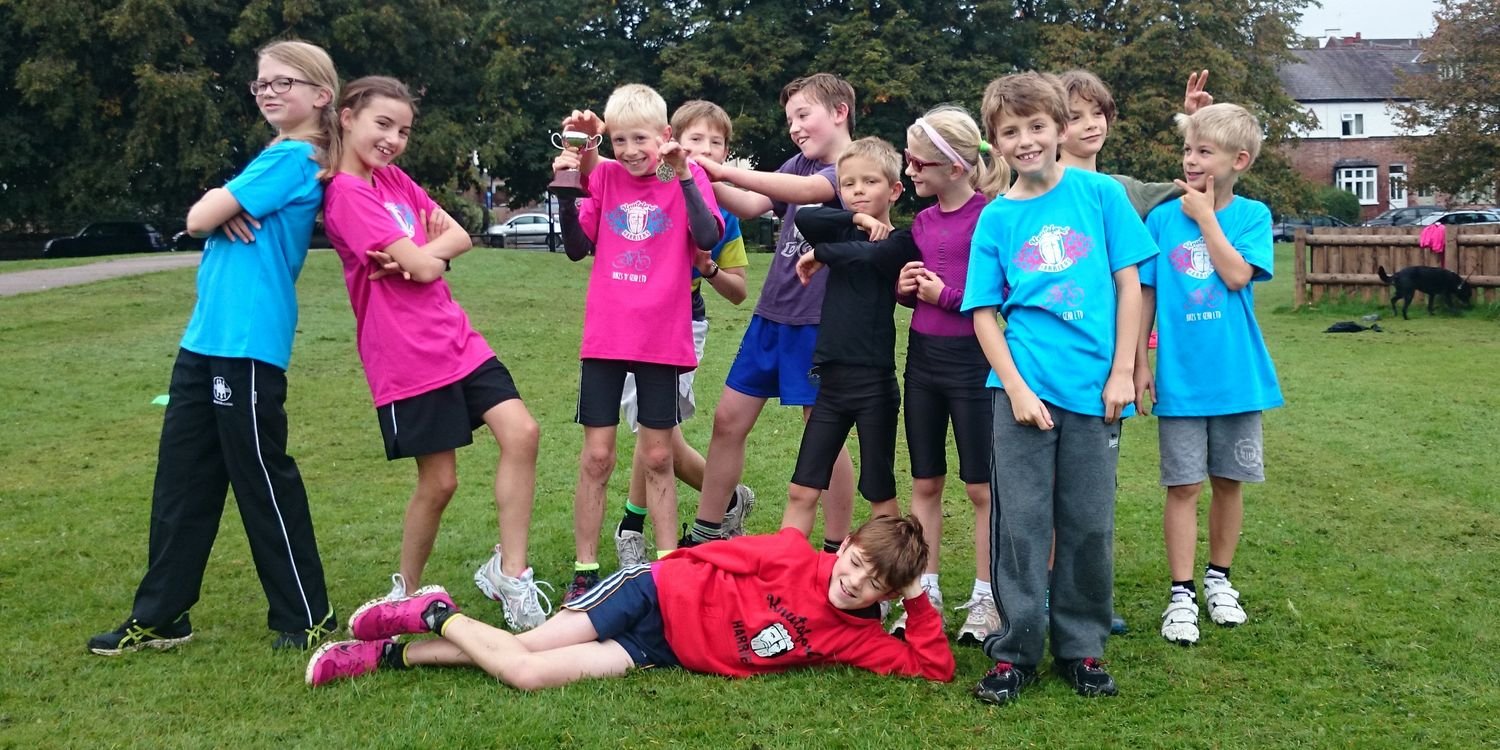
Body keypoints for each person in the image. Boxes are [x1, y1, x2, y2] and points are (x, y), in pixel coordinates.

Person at [88, 40, 340, 655]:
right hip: (204, 340)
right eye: (261, 84)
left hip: (248, 343)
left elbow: (199, 218)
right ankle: (164, 615)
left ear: (320, 95)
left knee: (260, 477)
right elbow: (201, 213)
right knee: (182, 480)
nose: (270, 91)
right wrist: (215, 207)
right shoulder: (272, 156)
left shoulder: (296, 159)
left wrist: (216, 206)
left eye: (285, 81)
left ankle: (307, 615)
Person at [321, 76, 549, 631]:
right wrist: (429, 257)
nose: (393, 140)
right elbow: (428, 262)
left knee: (522, 432)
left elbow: (458, 237)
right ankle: (404, 590)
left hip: (457, 337)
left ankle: (509, 575)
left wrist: (427, 255)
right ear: (347, 117)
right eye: (382, 125)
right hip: (405, 356)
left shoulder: (393, 180)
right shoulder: (346, 196)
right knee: (440, 482)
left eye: (403, 130)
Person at [961, 72, 1157, 705]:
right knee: (1020, 525)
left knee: (1089, 524)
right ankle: (1014, 650)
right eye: (1011, 131)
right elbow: (984, 313)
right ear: (995, 143)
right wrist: (1016, 388)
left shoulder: (1101, 196)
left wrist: (1123, 371)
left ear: (1060, 129)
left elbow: (1131, 285)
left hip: (1096, 391)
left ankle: (1082, 647)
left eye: (1037, 126)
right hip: (1022, 392)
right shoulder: (995, 220)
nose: (1026, 140)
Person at [306, 515, 955, 688]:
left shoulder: (861, 637)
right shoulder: (794, 552)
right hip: (650, 593)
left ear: (888, 595)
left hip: (657, 651)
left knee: (525, 672)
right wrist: (667, 565)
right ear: (845, 549)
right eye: (855, 562)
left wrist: (920, 598)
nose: (852, 581)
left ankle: (402, 643)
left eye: (873, 583)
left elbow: (933, 668)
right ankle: (431, 614)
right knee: (524, 648)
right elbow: (722, 555)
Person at [1055, 68, 1217, 635]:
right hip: (1047, 357)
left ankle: (1079, 600)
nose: (1090, 124)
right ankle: (1042, 595)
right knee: (1042, 486)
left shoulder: (1127, 192)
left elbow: (1201, 182)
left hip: (1107, 357)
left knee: (1091, 489)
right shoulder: (1031, 187)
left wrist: (1195, 120)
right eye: (1075, 116)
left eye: (1097, 112)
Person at [555, 84, 723, 602]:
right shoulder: (604, 176)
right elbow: (578, 248)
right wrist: (568, 179)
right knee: (598, 456)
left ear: (665, 136)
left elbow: (707, 234)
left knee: (656, 457)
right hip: (606, 337)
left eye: (641, 139)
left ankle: (669, 569)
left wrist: (684, 171)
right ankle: (586, 568)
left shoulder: (679, 177)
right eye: (620, 139)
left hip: (663, 339)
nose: (630, 150)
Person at [687, 73, 859, 555]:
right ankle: (706, 532)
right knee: (728, 421)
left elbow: (802, 193)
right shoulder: (799, 162)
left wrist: (723, 171)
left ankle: (833, 546)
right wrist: (695, 176)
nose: (796, 128)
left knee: (822, 433)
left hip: (819, 324)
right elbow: (752, 202)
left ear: (840, 111)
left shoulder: (852, 166)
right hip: (772, 316)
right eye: (790, 120)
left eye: (804, 115)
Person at [1133, 103, 1283, 647]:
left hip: (1238, 377)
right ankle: (1181, 594)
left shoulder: (1252, 216)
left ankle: (1219, 581)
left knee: (1228, 482)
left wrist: (1206, 218)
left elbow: (1238, 274)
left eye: (1203, 152)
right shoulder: (1160, 218)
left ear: (1238, 161)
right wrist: (1138, 361)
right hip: (1181, 379)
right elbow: (1146, 293)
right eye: (1188, 150)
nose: (1190, 160)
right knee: (1183, 485)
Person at [609, 100, 754, 567]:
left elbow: (738, 292)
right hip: (631, 319)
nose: (705, 149)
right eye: (695, 140)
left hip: (681, 323)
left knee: (656, 433)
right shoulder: (643, 186)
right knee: (654, 434)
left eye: (717, 143)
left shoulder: (722, 210)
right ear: (671, 140)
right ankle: (728, 498)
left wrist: (707, 266)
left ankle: (631, 526)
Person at [886, 106, 1008, 645]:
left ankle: (987, 597)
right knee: (925, 481)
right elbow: (915, 290)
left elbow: (1000, 293)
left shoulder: (992, 217)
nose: (909, 170)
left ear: (956, 167)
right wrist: (905, 288)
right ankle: (924, 592)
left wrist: (946, 296)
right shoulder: (925, 221)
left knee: (981, 487)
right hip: (922, 361)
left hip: (976, 363)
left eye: (918, 162)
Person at [784, 138, 916, 542]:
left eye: (870, 182)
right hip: (831, 386)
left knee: (879, 492)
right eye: (849, 184)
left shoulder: (901, 241)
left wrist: (823, 254)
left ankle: (892, 580)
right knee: (802, 487)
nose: (858, 191)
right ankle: (786, 579)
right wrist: (855, 222)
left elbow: (872, 259)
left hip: (874, 386)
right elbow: (805, 219)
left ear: (893, 190)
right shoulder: (843, 229)